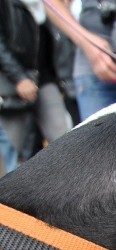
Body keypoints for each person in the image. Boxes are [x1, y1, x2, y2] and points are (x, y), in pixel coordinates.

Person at [0, 0, 71, 161]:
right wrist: (19, 77)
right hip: (12, 84)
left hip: (45, 78)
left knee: (63, 139)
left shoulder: (47, 5)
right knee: (11, 152)